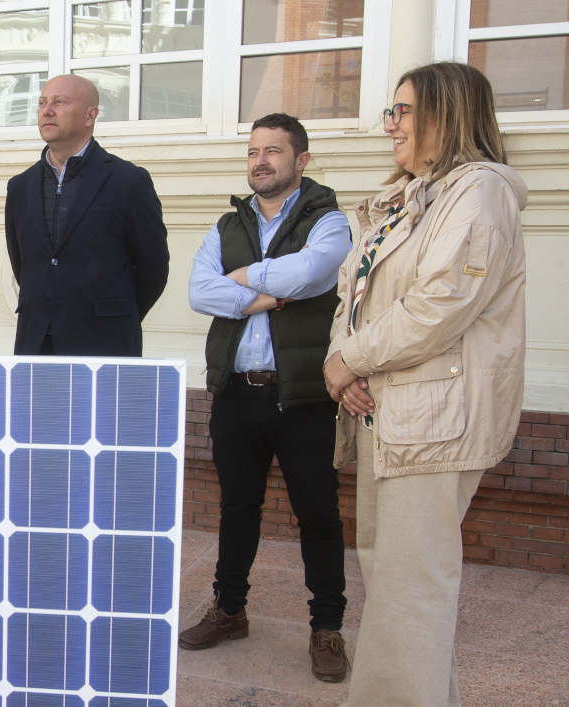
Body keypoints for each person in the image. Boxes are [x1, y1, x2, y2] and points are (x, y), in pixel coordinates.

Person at [323, 62, 526, 705]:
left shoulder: (480, 192)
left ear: (450, 115)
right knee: (393, 585)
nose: (391, 125)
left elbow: (440, 306)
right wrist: (345, 367)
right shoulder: (410, 196)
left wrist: (351, 359)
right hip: (390, 410)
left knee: (410, 593)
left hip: (435, 421)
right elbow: (350, 299)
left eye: (403, 111)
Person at [182, 113, 353, 682]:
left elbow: (315, 271)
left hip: (303, 395)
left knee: (318, 515)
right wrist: (267, 296)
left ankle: (326, 628)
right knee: (236, 509)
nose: (260, 160)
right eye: (254, 150)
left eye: (274, 151)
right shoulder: (226, 224)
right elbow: (197, 290)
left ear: (301, 161)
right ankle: (230, 611)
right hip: (237, 392)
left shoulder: (328, 220)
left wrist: (244, 278)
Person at [4, 74, 169, 356]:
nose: (47, 110)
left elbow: (153, 268)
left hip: (105, 344)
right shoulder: (20, 187)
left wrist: (116, 314)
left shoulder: (127, 181)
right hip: (36, 345)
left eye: (60, 102)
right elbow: (22, 265)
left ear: (90, 115)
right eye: (42, 102)